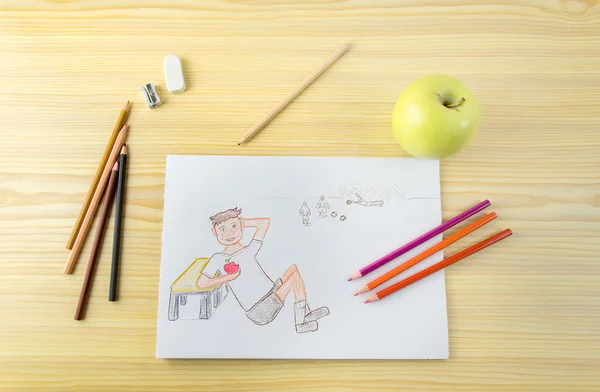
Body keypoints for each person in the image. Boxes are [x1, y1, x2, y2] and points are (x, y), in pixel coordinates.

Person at [196, 208, 329, 333]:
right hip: (259, 310)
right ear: (215, 232)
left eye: (234, 227)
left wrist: (241, 222)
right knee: (294, 278)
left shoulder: (248, 250)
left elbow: (264, 223)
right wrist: (228, 278)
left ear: (241, 226)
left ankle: (306, 312)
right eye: (222, 229)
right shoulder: (218, 258)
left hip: (269, 293)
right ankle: (300, 324)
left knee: (293, 269)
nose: (229, 233)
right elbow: (201, 283)